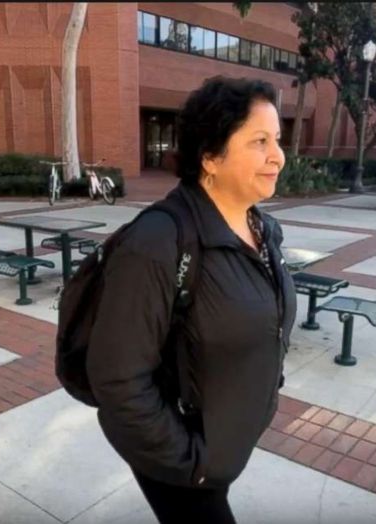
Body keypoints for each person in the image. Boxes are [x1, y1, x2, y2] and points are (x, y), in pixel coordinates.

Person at [86, 76, 297, 523]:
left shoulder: (262, 229)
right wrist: (189, 462)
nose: (278, 156)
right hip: (182, 465)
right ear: (210, 157)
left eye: (277, 139)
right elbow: (118, 380)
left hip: (224, 443)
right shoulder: (157, 241)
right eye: (259, 141)